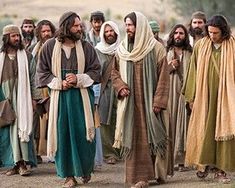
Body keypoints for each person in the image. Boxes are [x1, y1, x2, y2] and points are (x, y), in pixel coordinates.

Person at [36, 11, 100, 187]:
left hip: (81, 99)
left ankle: (85, 170)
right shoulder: (49, 46)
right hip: (60, 100)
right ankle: (69, 175)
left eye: (80, 25)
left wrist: (79, 79)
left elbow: (96, 71)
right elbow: (42, 73)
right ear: (66, 26)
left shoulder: (86, 47)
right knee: (63, 135)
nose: (80, 28)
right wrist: (59, 83)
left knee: (84, 136)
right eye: (76, 26)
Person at [111, 11, 169, 187]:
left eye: (130, 25)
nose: (127, 28)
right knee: (132, 137)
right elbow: (114, 73)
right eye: (126, 25)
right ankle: (135, 178)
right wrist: (120, 86)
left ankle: (148, 177)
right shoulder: (121, 49)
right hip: (129, 105)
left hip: (149, 103)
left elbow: (163, 77)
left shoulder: (156, 48)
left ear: (140, 27)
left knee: (151, 137)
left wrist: (158, 101)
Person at [184, 15, 235, 184]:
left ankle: (220, 169)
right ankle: (204, 165)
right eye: (210, 32)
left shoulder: (233, 46)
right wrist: (191, 96)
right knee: (203, 130)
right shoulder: (200, 46)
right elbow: (193, 71)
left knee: (222, 131)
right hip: (204, 97)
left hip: (225, 98)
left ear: (224, 31)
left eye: (216, 33)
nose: (212, 36)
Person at [0, 25, 39, 176]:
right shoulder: (0, 57)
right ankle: (13, 164)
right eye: (13, 36)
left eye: (18, 36)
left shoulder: (27, 56)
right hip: (5, 101)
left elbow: (34, 79)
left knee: (22, 130)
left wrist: (35, 99)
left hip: (23, 100)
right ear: (6, 38)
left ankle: (23, 164)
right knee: (8, 132)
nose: (17, 38)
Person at [165, 24, 192, 174]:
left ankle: (184, 161)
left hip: (186, 95)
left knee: (185, 126)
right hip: (170, 95)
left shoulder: (191, 52)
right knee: (171, 125)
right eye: (175, 33)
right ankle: (172, 160)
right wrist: (170, 67)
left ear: (185, 36)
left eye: (181, 33)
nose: (178, 35)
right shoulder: (165, 52)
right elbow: (159, 72)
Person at [28, 19, 56, 163]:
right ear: (39, 33)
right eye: (43, 31)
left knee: (54, 121)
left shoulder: (58, 46)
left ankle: (56, 153)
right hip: (39, 90)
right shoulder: (32, 49)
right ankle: (38, 154)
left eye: (48, 31)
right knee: (38, 124)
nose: (46, 34)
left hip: (54, 88)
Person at [95, 21, 121, 165]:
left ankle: (121, 151)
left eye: (112, 31)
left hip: (120, 89)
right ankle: (109, 153)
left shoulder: (123, 49)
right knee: (105, 121)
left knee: (120, 120)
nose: (110, 34)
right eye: (107, 31)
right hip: (104, 89)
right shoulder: (97, 50)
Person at [87, 10, 105, 169]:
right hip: (89, 81)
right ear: (91, 22)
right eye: (95, 21)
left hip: (102, 81)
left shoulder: (106, 36)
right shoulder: (87, 39)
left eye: (100, 21)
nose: (98, 24)